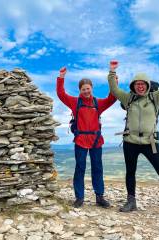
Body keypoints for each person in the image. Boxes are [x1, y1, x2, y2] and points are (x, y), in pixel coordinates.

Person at [107, 57, 159, 219]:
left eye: (143, 84)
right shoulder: (128, 98)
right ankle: (131, 201)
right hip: (130, 142)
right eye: (137, 84)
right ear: (133, 86)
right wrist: (112, 71)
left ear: (147, 86)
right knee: (130, 172)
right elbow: (114, 89)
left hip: (151, 143)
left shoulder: (155, 98)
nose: (140, 86)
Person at [56, 67, 117, 208]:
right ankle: (79, 198)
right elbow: (61, 94)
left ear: (92, 88)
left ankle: (100, 197)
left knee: (97, 168)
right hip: (81, 141)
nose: (86, 91)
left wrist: (114, 79)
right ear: (80, 90)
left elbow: (112, 98)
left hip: (96, 141)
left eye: (88, 88)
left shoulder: (98, 103)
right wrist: (61, 77)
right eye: (83, 89)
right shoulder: (74, 102)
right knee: (80, 168)